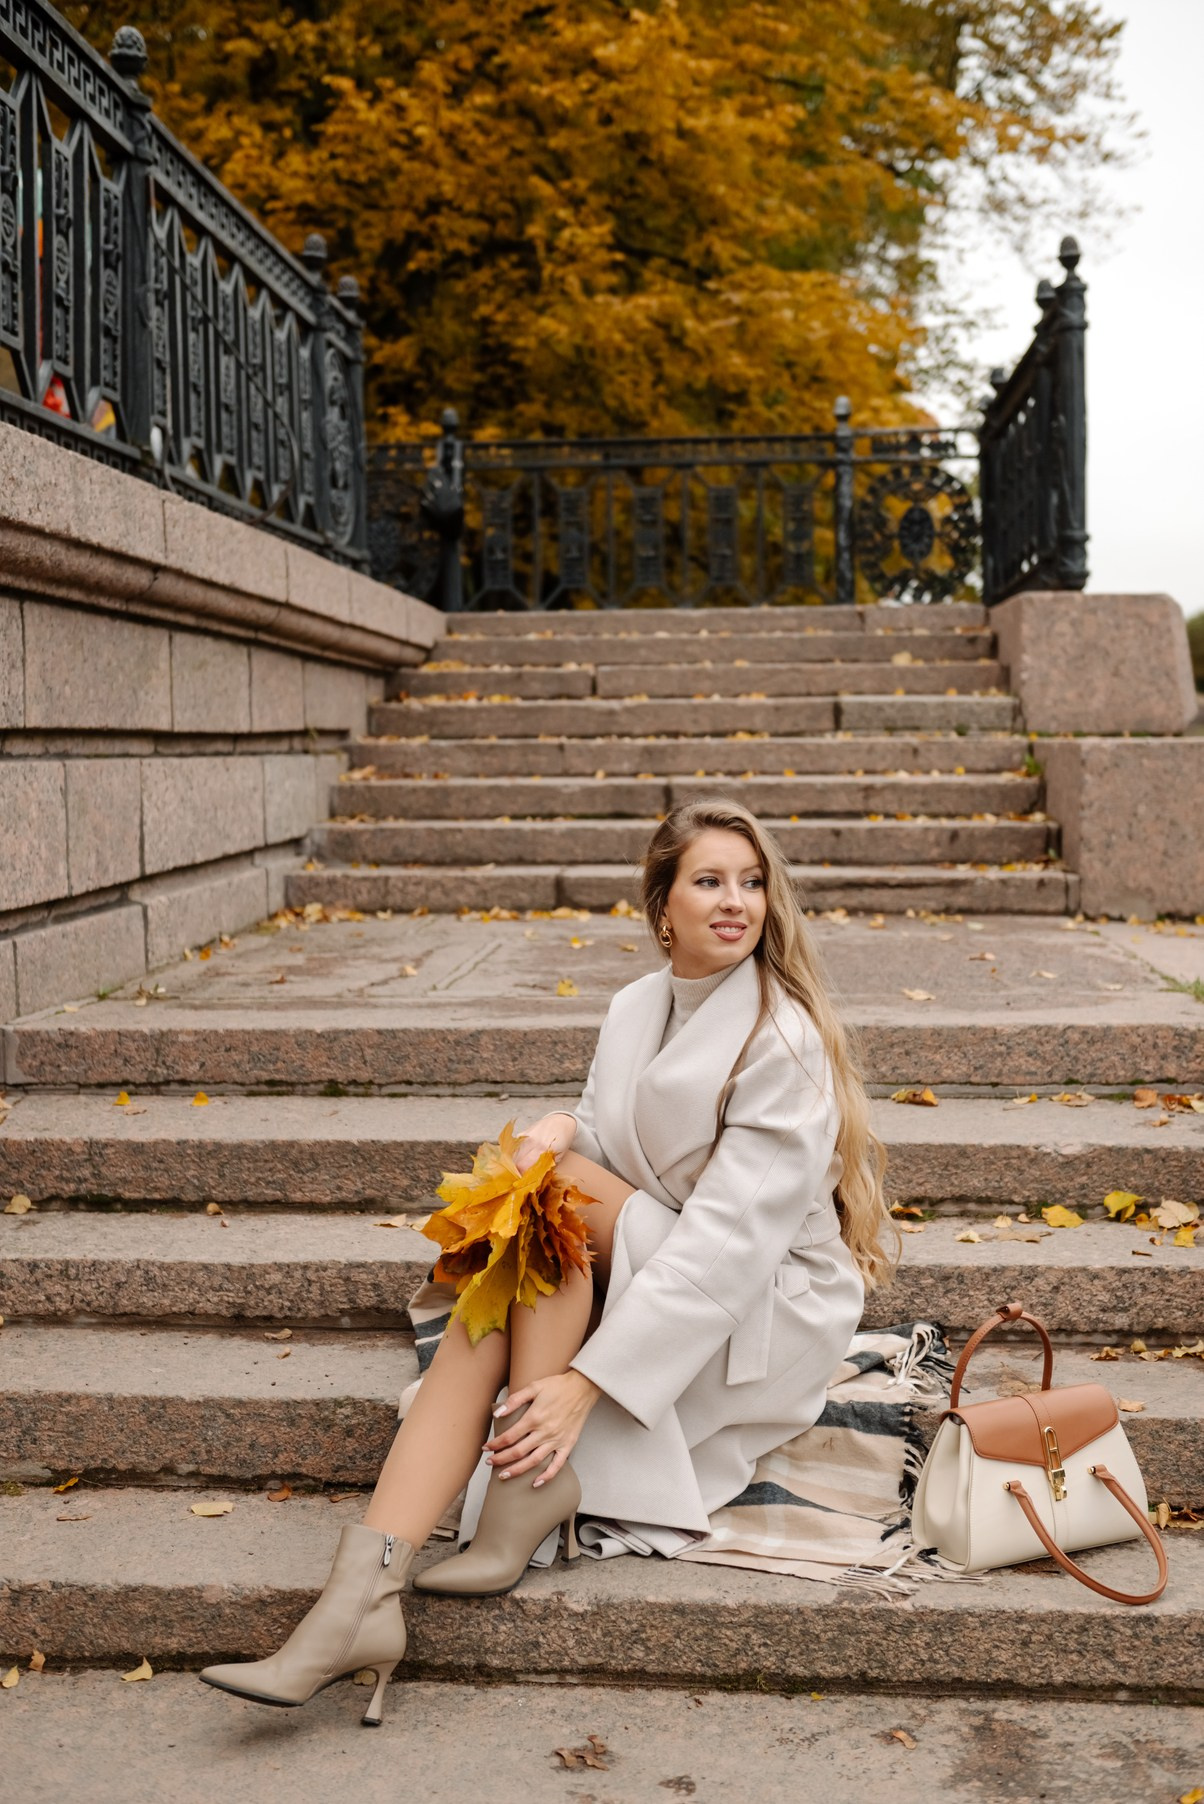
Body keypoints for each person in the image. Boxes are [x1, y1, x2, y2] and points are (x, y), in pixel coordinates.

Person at [198, 798, 898, 1724]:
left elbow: (731, 1247)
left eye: (753, 882)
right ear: (663, 909)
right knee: (514, 1259)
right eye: (710, 881)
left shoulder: (784, 1040)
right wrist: (563, 1124)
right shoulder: (636, 1006)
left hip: (764, 1301)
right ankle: (356, 1604)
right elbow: (625, 1132)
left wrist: (591, 1383)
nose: (738, 903)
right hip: (669, 1247)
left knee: (550, 1203)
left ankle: (520, 1494)